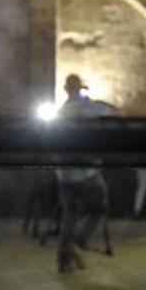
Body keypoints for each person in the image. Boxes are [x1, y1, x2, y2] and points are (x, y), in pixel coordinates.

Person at [55, 74, 113, 273]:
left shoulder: (60, 112)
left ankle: (64, 260)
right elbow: (112, 110)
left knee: (69, 215)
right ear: (80, 88)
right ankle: (78, 243)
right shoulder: (88, 107)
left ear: (65, 89)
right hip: (86, 172)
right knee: (99, 207)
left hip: (64, 174)